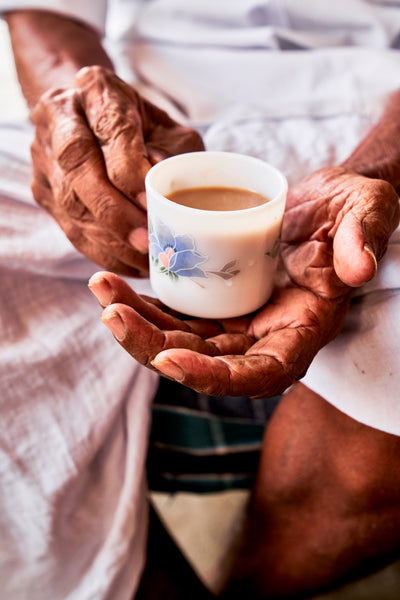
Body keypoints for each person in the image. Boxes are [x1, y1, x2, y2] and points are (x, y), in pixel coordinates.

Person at [1, 1, 400, 599]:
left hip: (376, 114)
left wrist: (381, 170)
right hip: (152, 118)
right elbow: (45, 14)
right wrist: (78, 111)